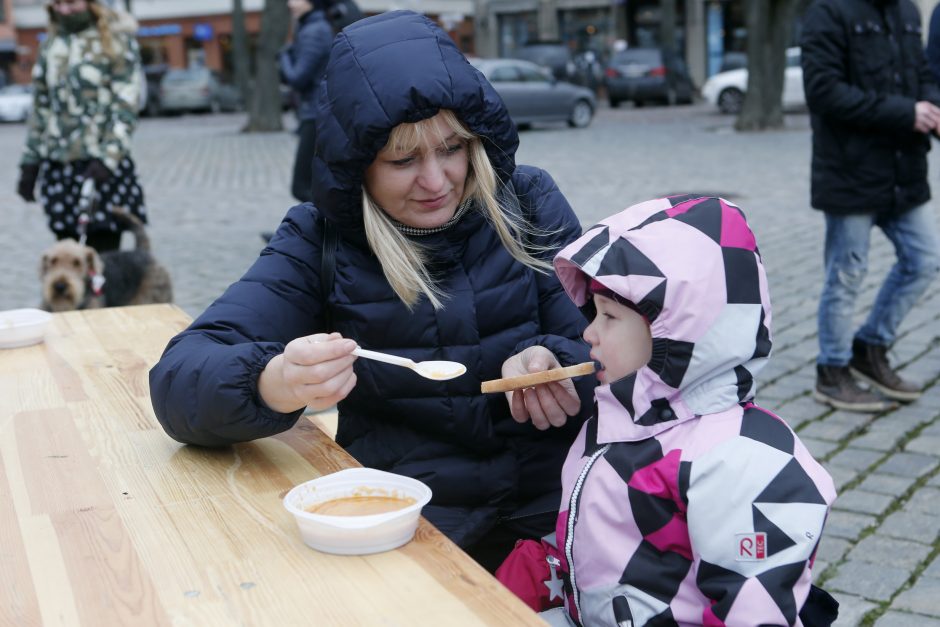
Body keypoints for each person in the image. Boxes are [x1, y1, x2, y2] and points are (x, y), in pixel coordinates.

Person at [149, 11, 595, 571]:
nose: (436, 181)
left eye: (452, 148)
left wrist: (560, 360)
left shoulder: (525, 201)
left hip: (562, 519)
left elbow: (619, 348)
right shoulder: (320, 239)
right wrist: (275, 382)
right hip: (408, 533)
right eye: (403, 160)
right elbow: (178, 381)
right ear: (356, 166)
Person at [499, 196, 837, 626]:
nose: (588, 332)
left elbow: (755, 609)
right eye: (594, 314)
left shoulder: (739, 460)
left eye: (609, 317)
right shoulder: (618, 419)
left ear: (674, 330)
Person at [801, 0, 940, 412]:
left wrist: (931, 107)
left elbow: (923, 74)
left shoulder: (908, 12)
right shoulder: (827, 11)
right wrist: (905, 113)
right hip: (850, 170)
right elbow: (823, 91)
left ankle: (870, 347)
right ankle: (832, 372)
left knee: (924, 260)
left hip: (904, 171)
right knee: (846, 275)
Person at [16, 0, 146, 253]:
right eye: (58, 4)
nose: (64, 10)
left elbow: (125, 106)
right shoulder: (51, 45)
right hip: (59, 166)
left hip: (102, 166)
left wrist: (108, 158)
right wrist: (30, 162)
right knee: (67, 258)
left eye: (71, 3)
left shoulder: (117, 42)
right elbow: (41, 108)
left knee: (103, 258)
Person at [279, 0, 333, 203]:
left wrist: (283, 56)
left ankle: (336, 229)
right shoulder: (309, 27)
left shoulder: (314, 31)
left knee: (301, 187)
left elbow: (297, 78)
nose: (290, 3)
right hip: (315, 112)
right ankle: (310, 233)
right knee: (312, 184)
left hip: (316, 115)